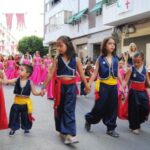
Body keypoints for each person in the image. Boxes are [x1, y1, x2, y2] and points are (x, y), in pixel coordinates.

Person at [43, 36, 90, 145]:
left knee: (69, 110)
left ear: (68, 45)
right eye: (57, 46)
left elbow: (82, 74)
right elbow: (50, 73)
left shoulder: (76, 59)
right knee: (59, 109)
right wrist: (43, 86)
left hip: (71, 88)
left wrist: (87, 85)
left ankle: (69, 135)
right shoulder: (57, 59)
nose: (58, 48)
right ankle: (61, 129)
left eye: (61, 45)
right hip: (59, 87)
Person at [85, 37, 122, 138]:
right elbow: (95, 73)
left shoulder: (116, 59)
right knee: (99, 107)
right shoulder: (100, 59)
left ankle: (111, 128)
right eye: (110, 43)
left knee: (112, 108)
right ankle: (89, 119)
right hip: (103, 87)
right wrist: (88, 84)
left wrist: (122, 84)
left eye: (113, 44)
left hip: (114, 87)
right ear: (105, 45)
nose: (112, 46)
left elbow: (118, 72)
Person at [0, 64, 44, 136]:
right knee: (14, 116)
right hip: (16, 103)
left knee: (25, 117)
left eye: (22, 70)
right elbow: (7, 81)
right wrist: (3, 73)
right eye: (19, 69)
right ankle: (13, 128)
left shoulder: (30, 82)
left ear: (27, 74)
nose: (19, 71)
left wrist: (40, 93)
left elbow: (34, 92)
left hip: (25, 104)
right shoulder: (16, 79)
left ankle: (26, 127)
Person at [123, 51, 150, 135]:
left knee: (145, 107)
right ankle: (134, 127)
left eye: (138, 62)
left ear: (142, 61)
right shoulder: (131, 69)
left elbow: (148, 81)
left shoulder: (145, 68)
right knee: (134, 110)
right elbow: (126, 80)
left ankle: (139, 121)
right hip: (133, 92)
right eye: (134, 62)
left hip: (143, 91)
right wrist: (121, 87)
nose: (136, 64)